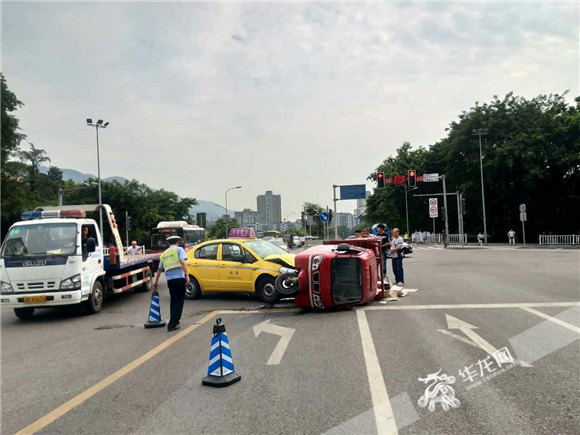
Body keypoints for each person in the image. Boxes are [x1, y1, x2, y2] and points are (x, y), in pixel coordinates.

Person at [153, 235, 190, 332]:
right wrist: (187, 275)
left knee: (174, 301)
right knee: (179, 301)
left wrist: (156, 282)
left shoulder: (164, 253)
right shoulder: (179, 249)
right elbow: (183, 262)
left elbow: (159, 269)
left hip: (170, 281)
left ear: (168, 243)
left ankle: (175, 321)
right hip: (179, 279)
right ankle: (172, 324)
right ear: (177, 241)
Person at [390, 228, 407, 297]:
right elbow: (391, 245)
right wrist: (391, 249)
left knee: (399, 268)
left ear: (398, 232)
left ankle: (401, 280)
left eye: (394, 232)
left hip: (398, 256)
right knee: (394, 269)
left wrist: (393, 250)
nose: (393, 234)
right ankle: (396, 279)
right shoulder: (393, 239)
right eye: (393, 232)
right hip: (393, 256)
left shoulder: (400, 239)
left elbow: (399, 247)